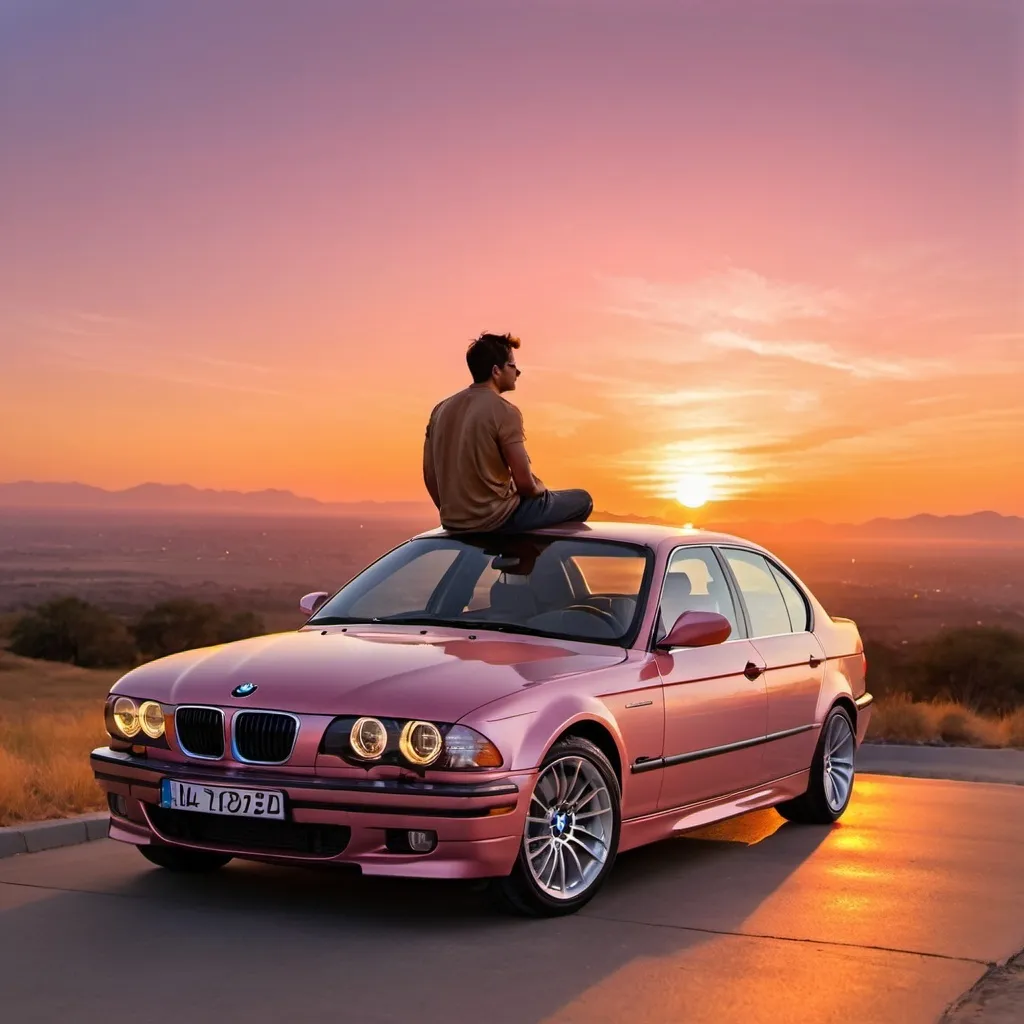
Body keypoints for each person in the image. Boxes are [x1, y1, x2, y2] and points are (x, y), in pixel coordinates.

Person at [422, 332, 593, 533]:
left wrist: (454, 513)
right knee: (583, 500)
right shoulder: (505, 411)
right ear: (496, 371)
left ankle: (521, 561)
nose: (518, 372)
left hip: (452, 521)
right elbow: (525, 484)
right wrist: (541, 488)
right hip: (498, 519)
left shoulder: (440, 409)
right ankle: (526, 562)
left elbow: (429, 474)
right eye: (512, 365)